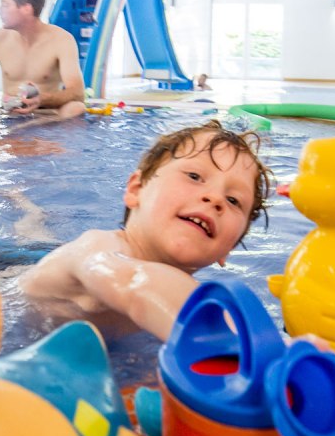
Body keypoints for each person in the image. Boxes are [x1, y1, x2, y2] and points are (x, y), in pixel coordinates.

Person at [18, 120, 273, 342]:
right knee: (31, 232)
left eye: (233, 201)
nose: (215, 198)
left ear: (229, 248)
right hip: (6, 289)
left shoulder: (188, 296)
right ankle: (27, 210)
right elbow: (135, 283)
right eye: (194, 176)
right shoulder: (99, 249)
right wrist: (246, 347)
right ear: (136, 190)